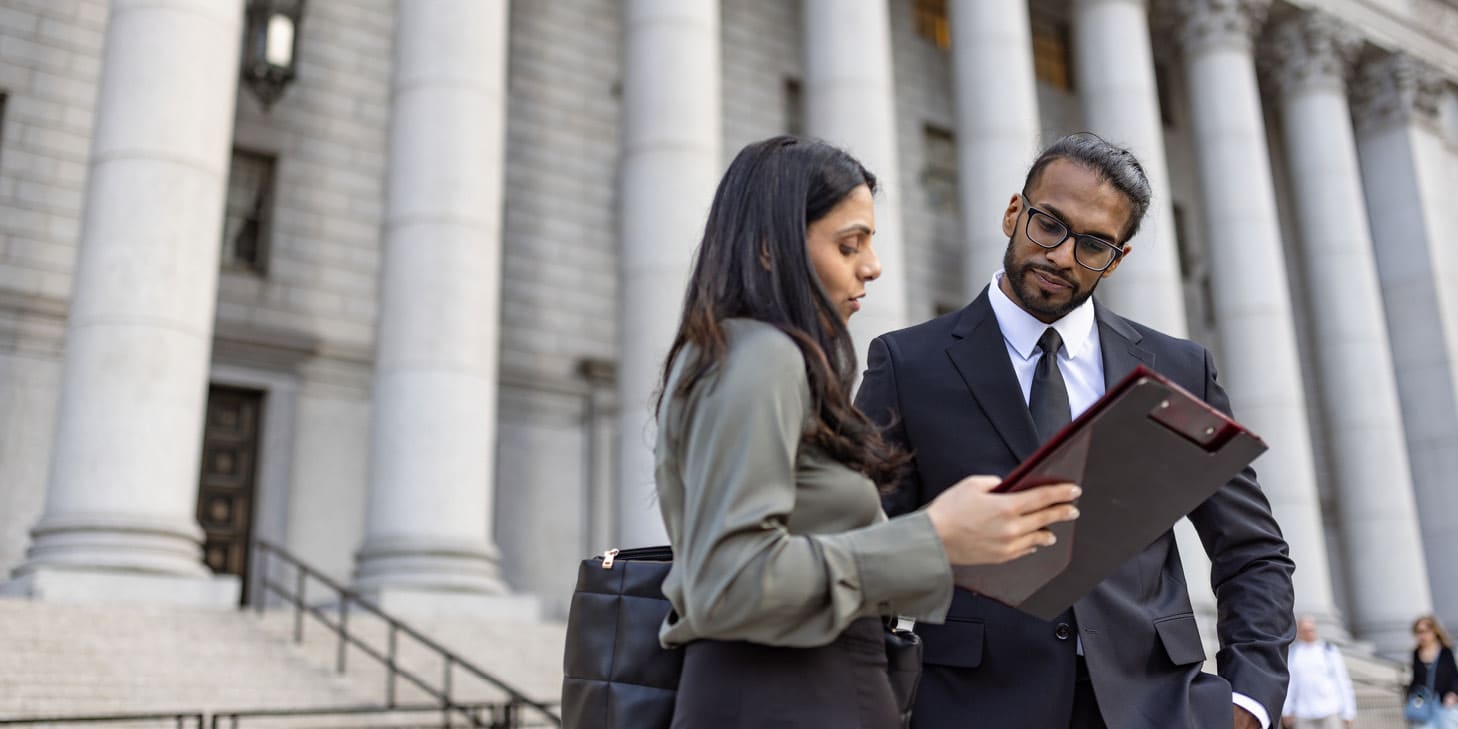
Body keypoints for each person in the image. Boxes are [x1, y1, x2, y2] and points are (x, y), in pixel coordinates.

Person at [855, 133, 1297, 729]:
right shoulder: (909, 365)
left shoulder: (1177, 368)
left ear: (1117, 259)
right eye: (1049, 225)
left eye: (1093, 245)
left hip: (1156, 707)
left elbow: (1252, 550)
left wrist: (1248, 700)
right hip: (971, 707)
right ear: (1014, 212)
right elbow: (865, 545)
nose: (1062, 256)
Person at [652, 135, 1082, 729]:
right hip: (784, 695)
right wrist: (934, 536)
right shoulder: (760, 355)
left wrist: (961, 546)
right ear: (768, 249)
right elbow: (728, 582)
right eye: (849, 245)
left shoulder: (742, 354)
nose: (872, 266)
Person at [1281, 616, 1356, 729]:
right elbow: (1290, 685)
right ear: (1299, 632)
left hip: (1330, 711)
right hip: (1302, 713)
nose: (1308, 633)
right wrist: (1287, 711)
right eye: (1304, 630)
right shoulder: (1293, 654)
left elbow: (1342, 681)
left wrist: (1349, 711)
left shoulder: (1328, 650)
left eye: (1311, 630)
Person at [1408, 614, 1458, 729]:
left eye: (1424, 631)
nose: (1422, 635)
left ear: (1434, 631)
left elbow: (1453, 675)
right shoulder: (1416, 653)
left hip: (1443, 702)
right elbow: (1417, 679)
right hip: (1424, 703)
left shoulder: (1445, 651)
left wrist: (1453, 694)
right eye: (1418, 632)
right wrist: (1415, 700)